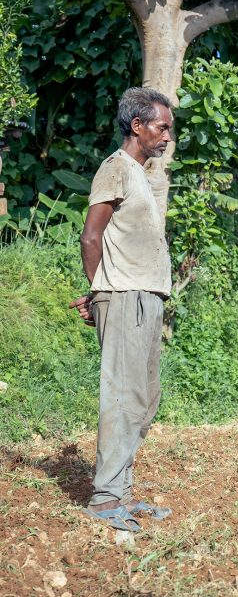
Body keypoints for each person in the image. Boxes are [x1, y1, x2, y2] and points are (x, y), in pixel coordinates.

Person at [68, 87, 175, 532]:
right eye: (162, 126)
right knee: (122, 398)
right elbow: (90, 238)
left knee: (144, 399)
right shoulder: (115, 169)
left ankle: (122, 494)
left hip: (145, 298)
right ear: (137, 126)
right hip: (125, 295)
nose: (168, 135)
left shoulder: (140, 175)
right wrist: (99, 292)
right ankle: (105, 498)